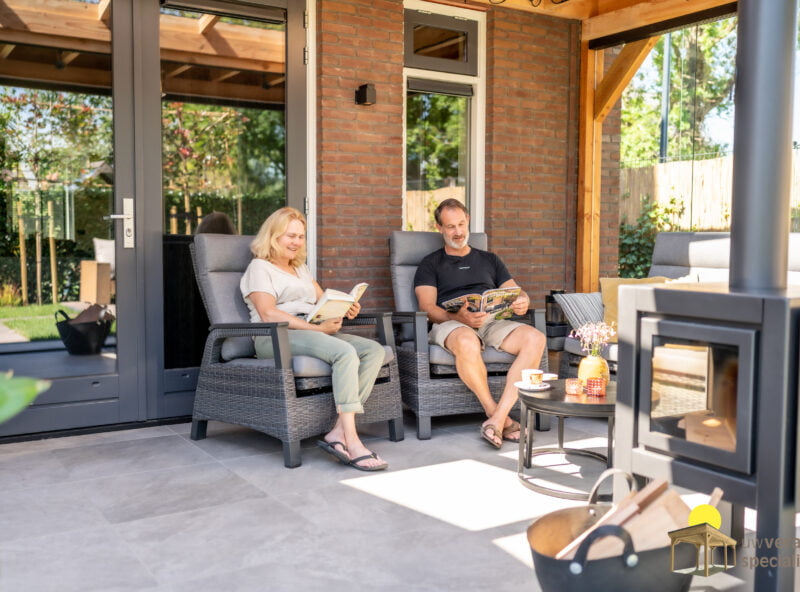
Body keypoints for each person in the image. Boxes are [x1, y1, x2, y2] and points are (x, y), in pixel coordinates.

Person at [240, 207, 389, 471]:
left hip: (311, 329)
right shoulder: (259, 268)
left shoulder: (301, 268)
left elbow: (323, 301)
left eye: (300, 236)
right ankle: (352, 440)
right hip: (275, 336)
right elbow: (268, 312)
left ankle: (337, 431)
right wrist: (317, 329)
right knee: (345, 352)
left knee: (373, 350)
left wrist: (347, 307)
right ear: (273, 236)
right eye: (290, 236)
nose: (296, 242)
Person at [414, 199, 546, 448]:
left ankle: (497, 419)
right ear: (439, 228)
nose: (458, 232)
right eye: (450, 226)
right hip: (452, 323)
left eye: (461, 224)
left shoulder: (490, 259)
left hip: (491, 320)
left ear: (468, 221)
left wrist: (522, 300)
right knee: (466, 341)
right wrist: (458, 317)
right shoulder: (430, 263)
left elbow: (516, 291)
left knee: (535, 338)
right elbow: (427, 308)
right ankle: (496, 414)